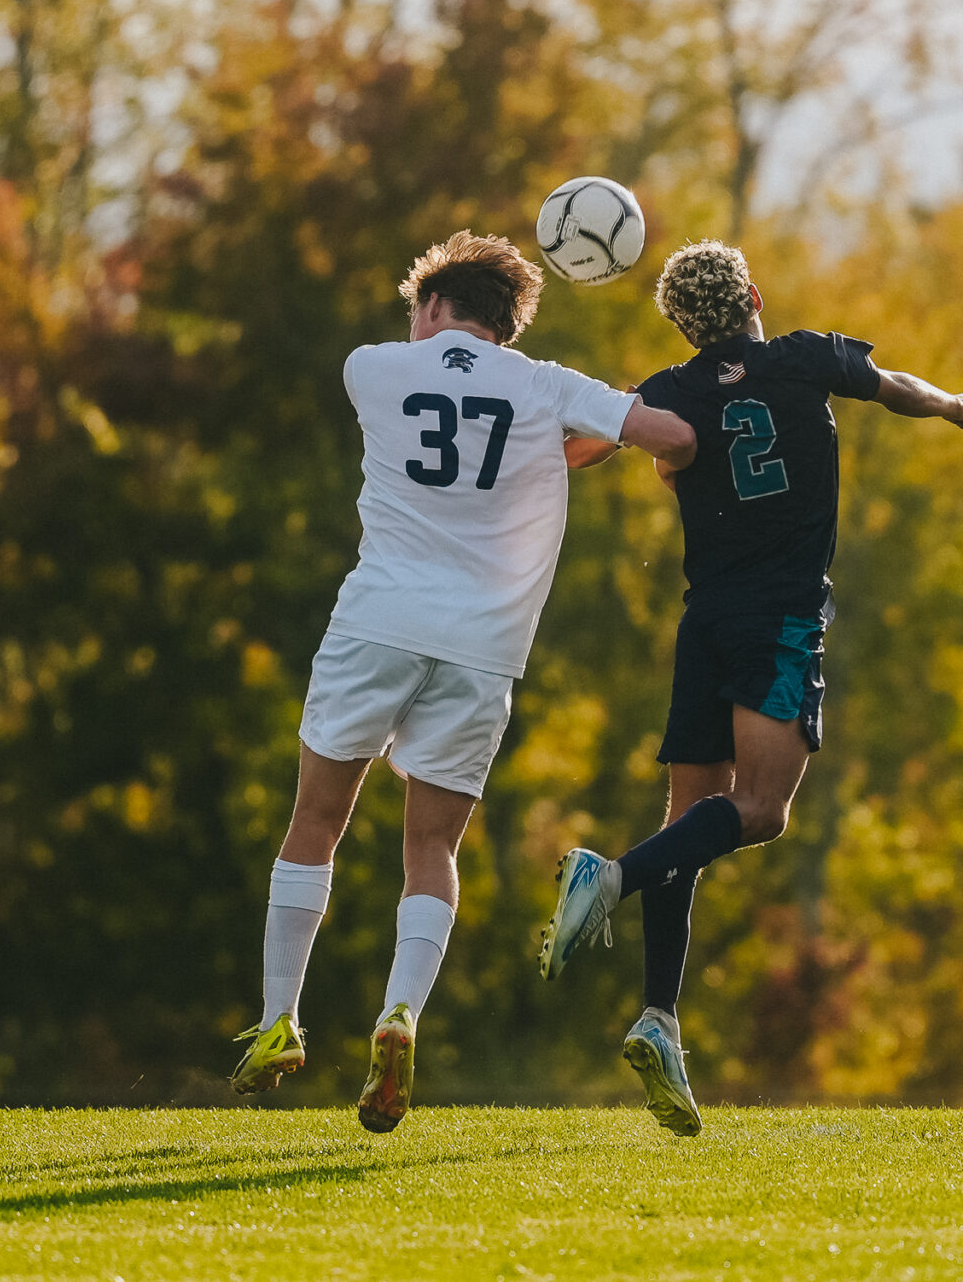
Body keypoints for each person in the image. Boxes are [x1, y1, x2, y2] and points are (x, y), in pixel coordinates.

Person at [230, 230, 697, 1133]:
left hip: (377, 624)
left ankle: (279, 1021)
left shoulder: (372, 367)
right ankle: (400, 1010)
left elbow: (429, 415)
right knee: (431, 848)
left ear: (435, 307)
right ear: (506, 324)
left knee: (315, 823)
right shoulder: (545, 384)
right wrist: (577, 440)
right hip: (483, 649)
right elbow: (669, 431)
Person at [538, 239, 963, 1135]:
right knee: (764, 810)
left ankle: (658, 1017)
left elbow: (587, 447)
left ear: (683, 321)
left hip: (704, 622)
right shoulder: (803, 357)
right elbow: (896, 386)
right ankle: (610, 876)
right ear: (751, 293)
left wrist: (553, 436)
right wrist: (958, 406)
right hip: (778, 617)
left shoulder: (671, 390)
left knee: (688, 824)